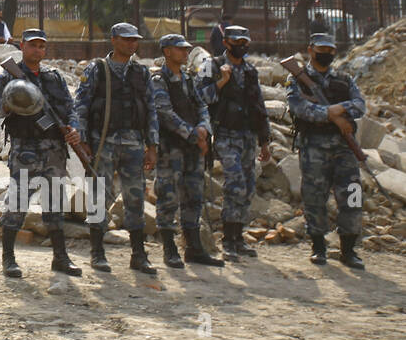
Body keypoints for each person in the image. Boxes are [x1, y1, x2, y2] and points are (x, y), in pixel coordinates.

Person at [0, 28, 82, 278]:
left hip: (54, 149)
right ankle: (9, 258)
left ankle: (60, 258)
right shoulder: (7, 74)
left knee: (55, 205)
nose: (37, 50)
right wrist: (10, 102)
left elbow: (70, 109)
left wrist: (74, 129)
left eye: (41, 46)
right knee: (17, 204)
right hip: (25, 148)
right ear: (22, 46)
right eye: (32, 45)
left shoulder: (55, 77)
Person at [71, 22, 159, 275]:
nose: (132, 44)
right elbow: (82, 107)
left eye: (135, 40)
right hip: (103, 143)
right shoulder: (98, 69)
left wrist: (152, 145)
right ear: (114, 40)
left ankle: (138, 255)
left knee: (135, 198)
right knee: (100, 197)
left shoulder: (141, 73)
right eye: (126, 39)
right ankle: (97, 253)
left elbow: (151, 109)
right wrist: (84, 141)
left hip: (133, 142)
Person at [286, 33, 367, 269]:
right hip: (314, 147)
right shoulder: (298, 79)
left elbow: (360, 105)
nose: (327, 54)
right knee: (314, 198)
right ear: (310, 49)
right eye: (322, 49)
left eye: (331, 50)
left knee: (352, 196)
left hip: (344, 149)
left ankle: (349, 250)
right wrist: (328, 115)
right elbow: (298, 107)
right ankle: (318, 248)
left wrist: (336, 109)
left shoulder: (343, 79)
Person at [197, 24, 270, 263]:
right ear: (226, 43)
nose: (241, 47)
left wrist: (264, 139)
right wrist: (222, 81)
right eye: (237, 42)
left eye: (244, 43)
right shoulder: (213, 66)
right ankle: (228, 240)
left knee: (248, 187)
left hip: (248, 135)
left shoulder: (250, 70)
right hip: (226, 134)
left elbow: (258, 105)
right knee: (235, 183)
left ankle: (239, 237)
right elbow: (200, 97)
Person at [150, 34, 223, 268]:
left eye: (186, 49)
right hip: (171, 149)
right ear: (167, 52)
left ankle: (194, 248)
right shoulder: (159, 80)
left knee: (194, 196)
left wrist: (204, 128)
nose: (184, 53)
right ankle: (170, 249)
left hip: (192, 149)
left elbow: (202, 105)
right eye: (179, 49)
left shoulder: (190, 79)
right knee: (168, 198)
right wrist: (193, 134)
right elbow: (165, 113)